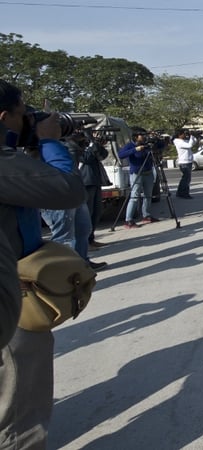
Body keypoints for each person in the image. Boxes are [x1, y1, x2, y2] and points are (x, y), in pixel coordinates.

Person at [0, 79, 86, 449]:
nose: (27, 120)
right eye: (23, 113)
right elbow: (67, 189)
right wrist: (50, 141)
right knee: (21, 385)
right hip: (13, 293)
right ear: (4, 117)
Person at [39, 134, 107, 270]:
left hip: (75, 192)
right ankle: (65, 270)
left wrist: (92, 143)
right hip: (58, 195)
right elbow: (85, 159)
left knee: (83, 229)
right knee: (64, 235)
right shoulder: (44, 145)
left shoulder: (69, 145)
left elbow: (98, 155)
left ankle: (82, 263)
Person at [118, 128, 159, 229]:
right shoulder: (130, 145)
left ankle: (146, 215)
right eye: (142, 135)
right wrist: (135, 149)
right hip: (137, 173)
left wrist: (156, 138)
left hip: (148, 172)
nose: (144, 137)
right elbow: (121, 155)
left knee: (148, 195)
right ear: (136, 137)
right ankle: (128, 220)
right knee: (135, 196)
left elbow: (161, 146)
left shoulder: (147, 144)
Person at [80, 132, 111, 250]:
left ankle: (91, 239)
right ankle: (85, 242)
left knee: (97, 212)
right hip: (86, 181)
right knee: (88, 212)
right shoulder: (77, 146)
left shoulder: (93, 145)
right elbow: (86, 159)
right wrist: (92, 144)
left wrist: (98, 144)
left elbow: (103, 155)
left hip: (96, 180)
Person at [173, 129, 196, 199]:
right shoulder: (178, 142)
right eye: (184, 134)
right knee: (186, 179)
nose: (185, 135)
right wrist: (191, 136)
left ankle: (179, 193)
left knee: (185, 179)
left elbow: (193, 142)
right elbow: (189, 145)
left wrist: (193, 136)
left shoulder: (183, 141)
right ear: (179, 135)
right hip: (184, 162)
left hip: (188, 161)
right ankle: (184, 193)